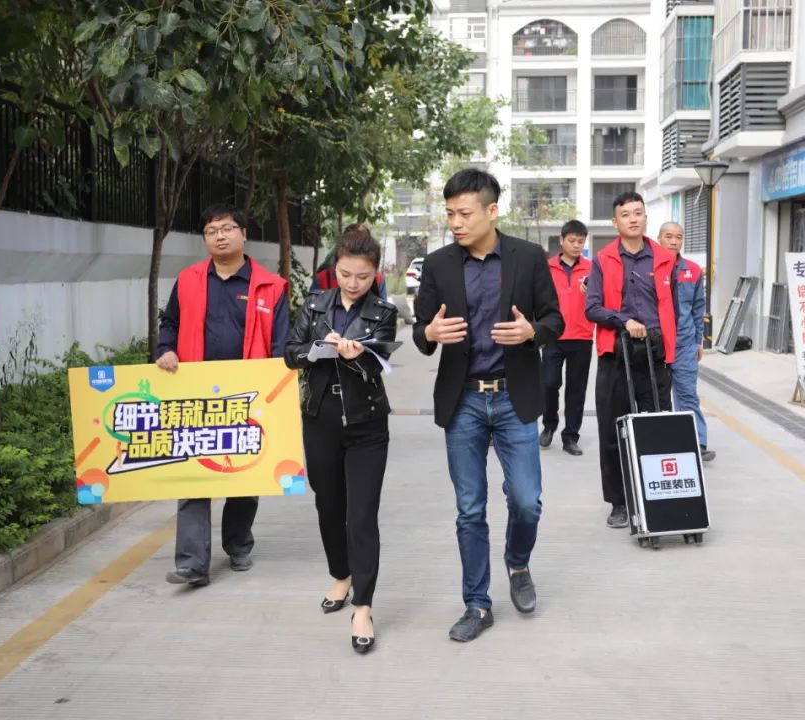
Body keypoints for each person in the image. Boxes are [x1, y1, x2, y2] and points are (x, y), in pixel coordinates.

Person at [413, 169, 564, 642]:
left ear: (492, 211)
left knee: (526, 501)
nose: (456, 223)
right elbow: (420, 332)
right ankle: (477, 604)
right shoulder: (438, 265)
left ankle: (517, 563)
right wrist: (429, 333)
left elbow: (555, 319)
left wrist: (532, 332)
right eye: (450, 214)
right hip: (463, 401)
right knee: (470, 508)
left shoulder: (528, 257)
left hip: (514, 397)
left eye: (464, 213)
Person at [155, 203, 290, 586]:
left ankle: (238, 544)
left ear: (243, 234)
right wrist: (165, 349)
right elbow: (170, 323)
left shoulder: (271, 286)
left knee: (244, 476)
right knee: (192, 476)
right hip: (195, 394)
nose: (220, 236)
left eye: (227, 228)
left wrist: (278, 390)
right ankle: (192, 564)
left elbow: (281, 344)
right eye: (211, 230)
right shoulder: (188, 281)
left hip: (249, 395)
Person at [285, 227, 398, 655]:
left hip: (367, 424)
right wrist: (316, 348)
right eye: (346, 274)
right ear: (335, 269)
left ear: (376, 273)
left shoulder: (383, 311)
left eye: (363, 276)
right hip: (320, 419)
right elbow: (289, 352)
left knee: (362, 515)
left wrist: (359, 357)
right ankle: (341, 575)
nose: (353, 283)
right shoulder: (315, 305)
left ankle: (363, 606)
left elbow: (380, 364)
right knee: (329, 506)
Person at [584, 192, 678, 530]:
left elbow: (673, 307)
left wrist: (672, 350)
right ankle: (619, 502)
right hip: (616, 354)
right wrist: (624, 320)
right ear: (615, 222)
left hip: (654, 356)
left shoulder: (664, 259)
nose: (633, 218)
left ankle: (658, 496)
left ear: (645, 218)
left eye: (638, 212)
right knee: (613, 431)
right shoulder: (603, 259)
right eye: (626, 214)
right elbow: (592, 308)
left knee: (658, 429)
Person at [657, 222, 715, 462]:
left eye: (678, 237)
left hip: (685, 343)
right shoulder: (650, 268)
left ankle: (697, 442)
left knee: (687, 394)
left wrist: (698, 340)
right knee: (657, 395)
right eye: (668, 236)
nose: (673, 241)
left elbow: (698, 307)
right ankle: (660, 441)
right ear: (659, 238)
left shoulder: (692, 270)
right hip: (657, 345)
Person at [539, 220, 595, 456]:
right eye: (571, 240)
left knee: (576, 390)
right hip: (553, 335)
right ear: (561, 241)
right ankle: (549, 424)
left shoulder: (592, 269)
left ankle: (571, 436)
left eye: (580, 241)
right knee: (549, 383)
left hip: (582, 337)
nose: (576, 245)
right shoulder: (547, 268)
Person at [310, 223, 388, 299]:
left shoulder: (378, 280)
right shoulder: (322, 278)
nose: (352, 285)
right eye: (345, 275)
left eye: (363, 277)